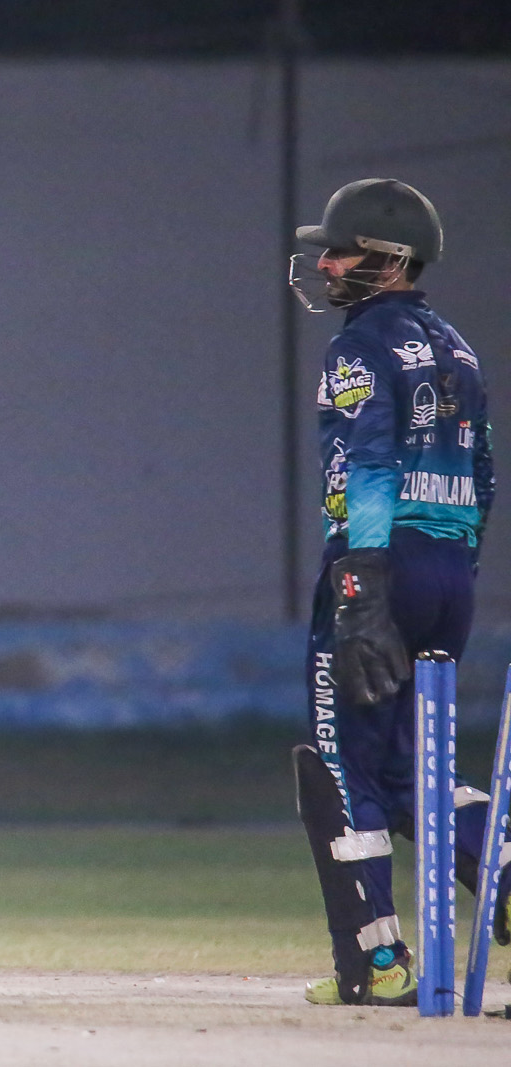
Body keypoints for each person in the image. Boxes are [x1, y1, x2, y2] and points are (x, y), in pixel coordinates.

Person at [290, 178, 499, 1006]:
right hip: (450, 570)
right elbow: (483, 473)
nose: (327, 264)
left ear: (389, 258)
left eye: (341, 251)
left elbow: (369, 462)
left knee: (340, 763)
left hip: (379, 561)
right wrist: (452, 574)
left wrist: (362, 582)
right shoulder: (458, 348)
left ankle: (377, 965)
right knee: (417, 761)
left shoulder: (359, 345)